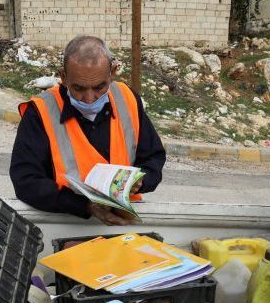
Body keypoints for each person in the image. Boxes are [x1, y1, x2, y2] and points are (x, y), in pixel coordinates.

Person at [10, 35, 167, 225]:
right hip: (65, 223)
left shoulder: (127, 99)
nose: (90, 98)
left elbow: (153, 158)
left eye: (100, 87)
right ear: (63, 77)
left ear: (112, 73)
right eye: (79, 88)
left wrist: (140, 181)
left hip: (125, 223)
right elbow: (26, 181)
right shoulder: (40, 112)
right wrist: (84, 206)